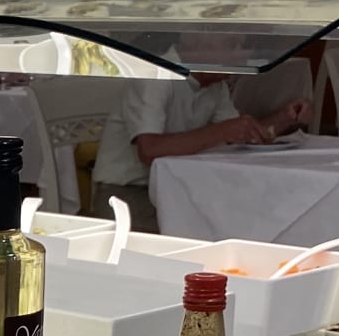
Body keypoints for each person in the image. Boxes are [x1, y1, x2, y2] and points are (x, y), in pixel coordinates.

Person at [92, 71, 310, 232]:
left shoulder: (216, 86)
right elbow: (149, 150)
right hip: (128, 194)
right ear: (198, 41)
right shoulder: (155, 77)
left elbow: (241, 134)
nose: (241, 55)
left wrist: (285, 118)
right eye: (231, 45)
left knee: (247, 221)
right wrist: (222, 131)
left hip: (179, 190)